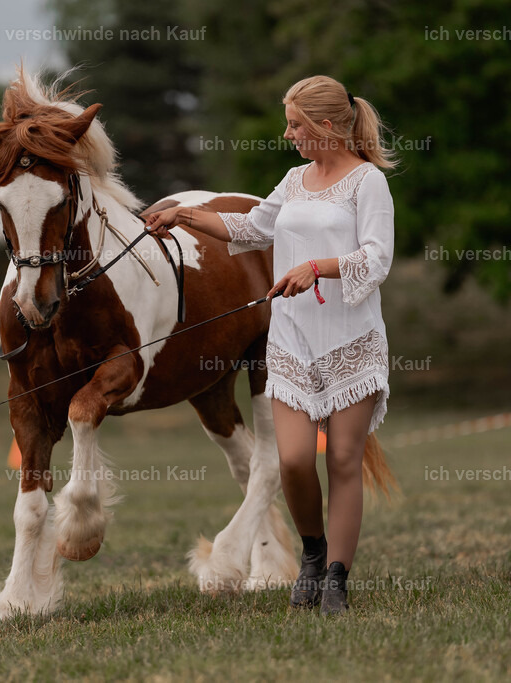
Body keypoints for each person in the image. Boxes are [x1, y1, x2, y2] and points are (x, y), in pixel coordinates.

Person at [144, 75, 396, 615]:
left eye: (296, 125)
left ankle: (335, 579)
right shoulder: (294, 180)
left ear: (326, 127)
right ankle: (311, 553)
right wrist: (184, 216)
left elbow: (377, 258)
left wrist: (316, 268)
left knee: (345, 461)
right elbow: (252, 227)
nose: (289, 134)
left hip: (351, 341)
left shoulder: (367, 183)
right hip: (292, 342)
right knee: (295, 461)